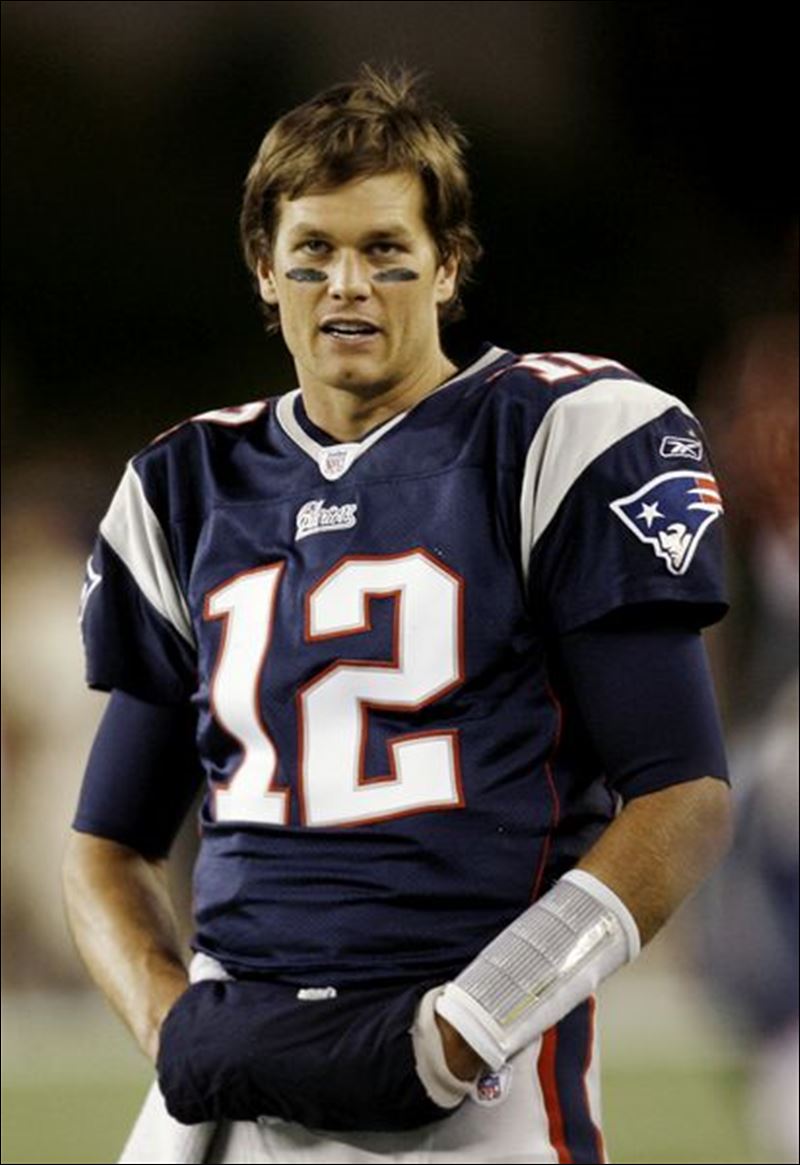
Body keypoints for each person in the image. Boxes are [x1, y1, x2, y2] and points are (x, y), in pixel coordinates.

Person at [63, 64, 733, 1164]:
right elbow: (107, 844)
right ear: (264, 268)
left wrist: (469, 1025)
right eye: (313, 252)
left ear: (448, 263)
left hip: (478, 1063)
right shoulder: (187, 484)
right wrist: (169, 1024)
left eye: (385, 250)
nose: (348, 285)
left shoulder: (555, 434)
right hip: (240, 1066)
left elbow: (683, 798)